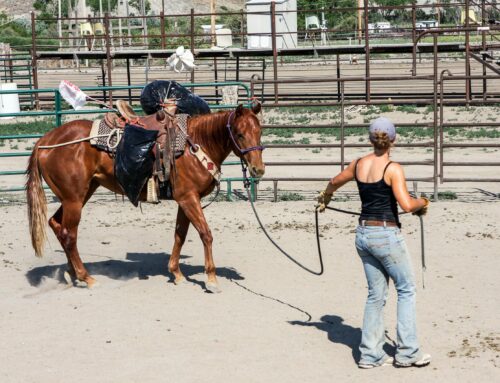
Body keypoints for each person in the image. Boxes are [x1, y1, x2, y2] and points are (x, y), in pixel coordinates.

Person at [316, 117, 431, 369]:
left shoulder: (358, 164)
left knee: (375, 295)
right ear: (393, 140)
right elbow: (406, 204)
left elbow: (334, 181)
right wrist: (423, 202)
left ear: (370, 139)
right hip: (386, 235)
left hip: (363, 235)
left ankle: (370, 355)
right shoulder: (393, 168)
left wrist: (325, 197)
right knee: (406, 289)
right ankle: (408, 352)